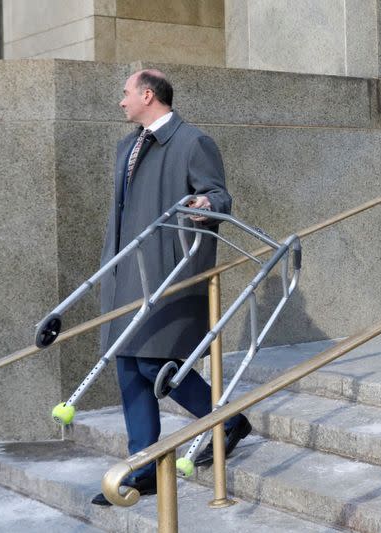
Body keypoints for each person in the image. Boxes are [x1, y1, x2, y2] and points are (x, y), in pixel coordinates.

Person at [92, 70, 252, 505]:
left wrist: (206, 205)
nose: (121, 101)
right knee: (130, 370)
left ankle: (225, 421)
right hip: (127, 271)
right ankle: (143, 470)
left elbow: (219, 196)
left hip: (168, 272)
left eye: (125, 93)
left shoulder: (192, 142)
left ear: (147, 94)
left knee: (155, 366)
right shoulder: (128, 145)